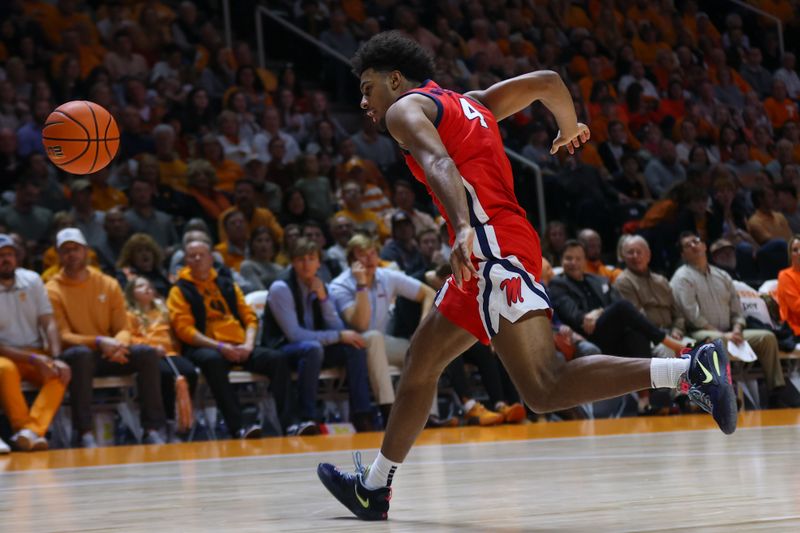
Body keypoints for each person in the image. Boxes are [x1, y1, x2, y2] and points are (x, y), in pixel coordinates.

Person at [318, 31, 736, 522]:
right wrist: (569, 125)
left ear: (394, 79)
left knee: (543, 388)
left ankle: (689, 372)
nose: (364, 101)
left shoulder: (403, 110)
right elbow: (547, 82)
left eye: (368, 88)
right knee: (421, 362)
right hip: (500, 245)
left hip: (489, 245)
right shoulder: (468, 103)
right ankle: (374, 487)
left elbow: (438, 162)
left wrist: (463, 229)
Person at [47, 228, 166, 448]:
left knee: (147, 354)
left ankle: (152, 428)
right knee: (81, 355)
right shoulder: (52, 289)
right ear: (58, 255)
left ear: (86, 251)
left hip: (111, 352)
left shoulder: (107, 283)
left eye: (76, 249)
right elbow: (64, 335)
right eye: (66, 250)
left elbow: (122, 326)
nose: (71, 254)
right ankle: (84, 432)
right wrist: (101, 342)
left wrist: (119, 345)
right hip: (80, 355)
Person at [166, 239, 292, 438]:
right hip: (206, 347)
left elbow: (250, 318)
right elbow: (185, 331)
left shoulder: (227, 284)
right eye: (192, 255)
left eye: (202, 254)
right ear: (186, 261)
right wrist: (220, 347)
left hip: (241, 346)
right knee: (212, 361)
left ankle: (291, 425)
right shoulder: (179, 290)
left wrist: (249, 344)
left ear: (211, 258)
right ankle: (239, 427)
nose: (198, 258)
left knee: (276, 359)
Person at [264, 238, 374, 433]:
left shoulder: (321, 284)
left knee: (354, 346)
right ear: (292, 262)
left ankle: (361, 414)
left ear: (318, 263)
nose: (306, 264)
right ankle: (308, 417)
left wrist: (323, 299)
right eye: (300, 259)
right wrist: (339, 336)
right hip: (283, 350)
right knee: (313, 348)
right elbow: (294, 335)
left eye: (311, 258)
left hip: (315, 349)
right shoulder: (281, 288)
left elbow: (336, 325)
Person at [670, 231, 788, 407]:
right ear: (682, 254)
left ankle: (775, 393)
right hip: (698, 332)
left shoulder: (722, 275)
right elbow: (691, 315)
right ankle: (726, 393)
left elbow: (737, 310)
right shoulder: (682, 277)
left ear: (704, 246)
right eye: (688, 245)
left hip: (730, 331)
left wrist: (737, 329)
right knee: (718, 341)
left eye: (696, 241)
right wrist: (723, 334)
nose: (694, 246)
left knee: (767, 338)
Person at [0, 234, 70, 451]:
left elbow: (49, 322)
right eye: (1, 255)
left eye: (9, 254)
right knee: (5, 369)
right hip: (6, 356)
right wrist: (33, 357)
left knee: (59, 373)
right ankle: (25, 428)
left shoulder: (32, 280)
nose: (6, 259)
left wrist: (56, 358)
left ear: (17, 257)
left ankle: (30, 432)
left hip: (35, 352)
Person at [125, 276, 197, 441]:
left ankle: (181, 421)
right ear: (131, 293)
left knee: (188, 372)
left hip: (169, 353)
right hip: (148, 356)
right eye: (141, 286)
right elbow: (130, 338)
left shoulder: (163, 311)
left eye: (149, 285)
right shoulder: (129, 315)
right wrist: (150, 348)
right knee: (164, 375)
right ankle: (166, 422)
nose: (147, 288)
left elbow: (173, 335)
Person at [615, 235, 687, 357]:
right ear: (623, 257)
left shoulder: (661, 281)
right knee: (671, 354)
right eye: (630, 252)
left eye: (639, 252)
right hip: (650, 339)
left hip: (674, 334)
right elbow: (637, 318)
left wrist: (677, 330)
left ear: (648, 255)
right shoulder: (623, 281)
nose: (635, 256)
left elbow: (678, 314)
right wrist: (666, 338)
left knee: (703, 351)